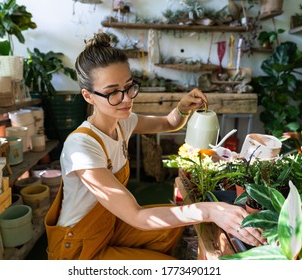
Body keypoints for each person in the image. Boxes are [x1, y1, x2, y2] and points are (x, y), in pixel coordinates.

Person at [45, 32, 265, 260]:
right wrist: (209, 210)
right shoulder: (81, 147)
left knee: (170, 228)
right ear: (88, 96)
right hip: (80, 247)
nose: (127, 99)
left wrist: (182, 108)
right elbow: (137, 216)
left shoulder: (123, 122)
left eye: (129, 87)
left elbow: (169, 122)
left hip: (110, 225)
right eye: (112, 93)